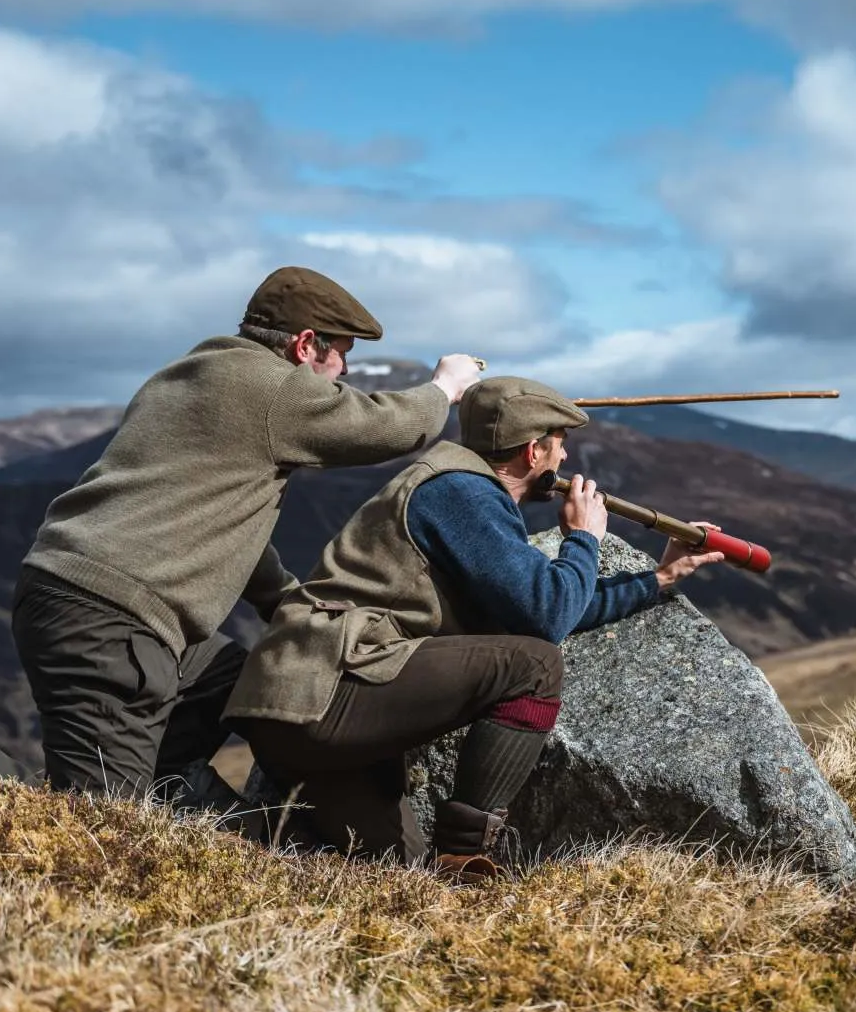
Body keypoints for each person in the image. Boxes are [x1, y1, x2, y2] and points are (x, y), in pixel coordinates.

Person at [11, 265, 481, 806]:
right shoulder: (272, 389)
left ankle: (170, 797)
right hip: (111, 622)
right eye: (342, 354)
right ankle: (118, 825)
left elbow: (216, 514)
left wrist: (283, 602)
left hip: (74, 594)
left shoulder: (193, 372)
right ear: (306, 345)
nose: (345, 370)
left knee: (238, 681)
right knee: (100, 822)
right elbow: (383, 427)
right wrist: (444, 389)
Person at [224, 375, 726, 877]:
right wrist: (583, 540)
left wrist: (660, 578)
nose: (564, 461)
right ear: (533, 452)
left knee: (401, 873)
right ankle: (462, 853)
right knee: (534, 666)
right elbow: (546, 617)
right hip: (329, 688)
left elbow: (555, 604)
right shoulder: (460, 491)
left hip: (292, 703)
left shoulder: (457, 486)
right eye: (560, 447)